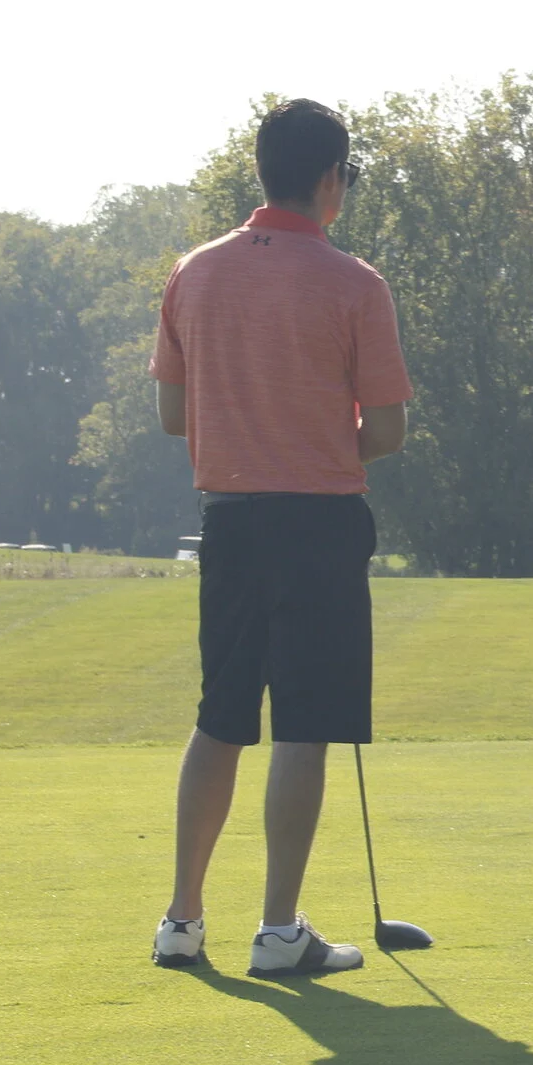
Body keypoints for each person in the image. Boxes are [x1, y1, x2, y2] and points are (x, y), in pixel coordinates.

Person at [148, 99, 413, 975]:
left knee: (220, 718)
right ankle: (277, 929)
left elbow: (171, 413)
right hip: (319, 521)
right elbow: (386, 432)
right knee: (305, 723)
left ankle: (182, 918)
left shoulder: (194, 272)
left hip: (227, 520)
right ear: (332, 178)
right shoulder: (355, 283)